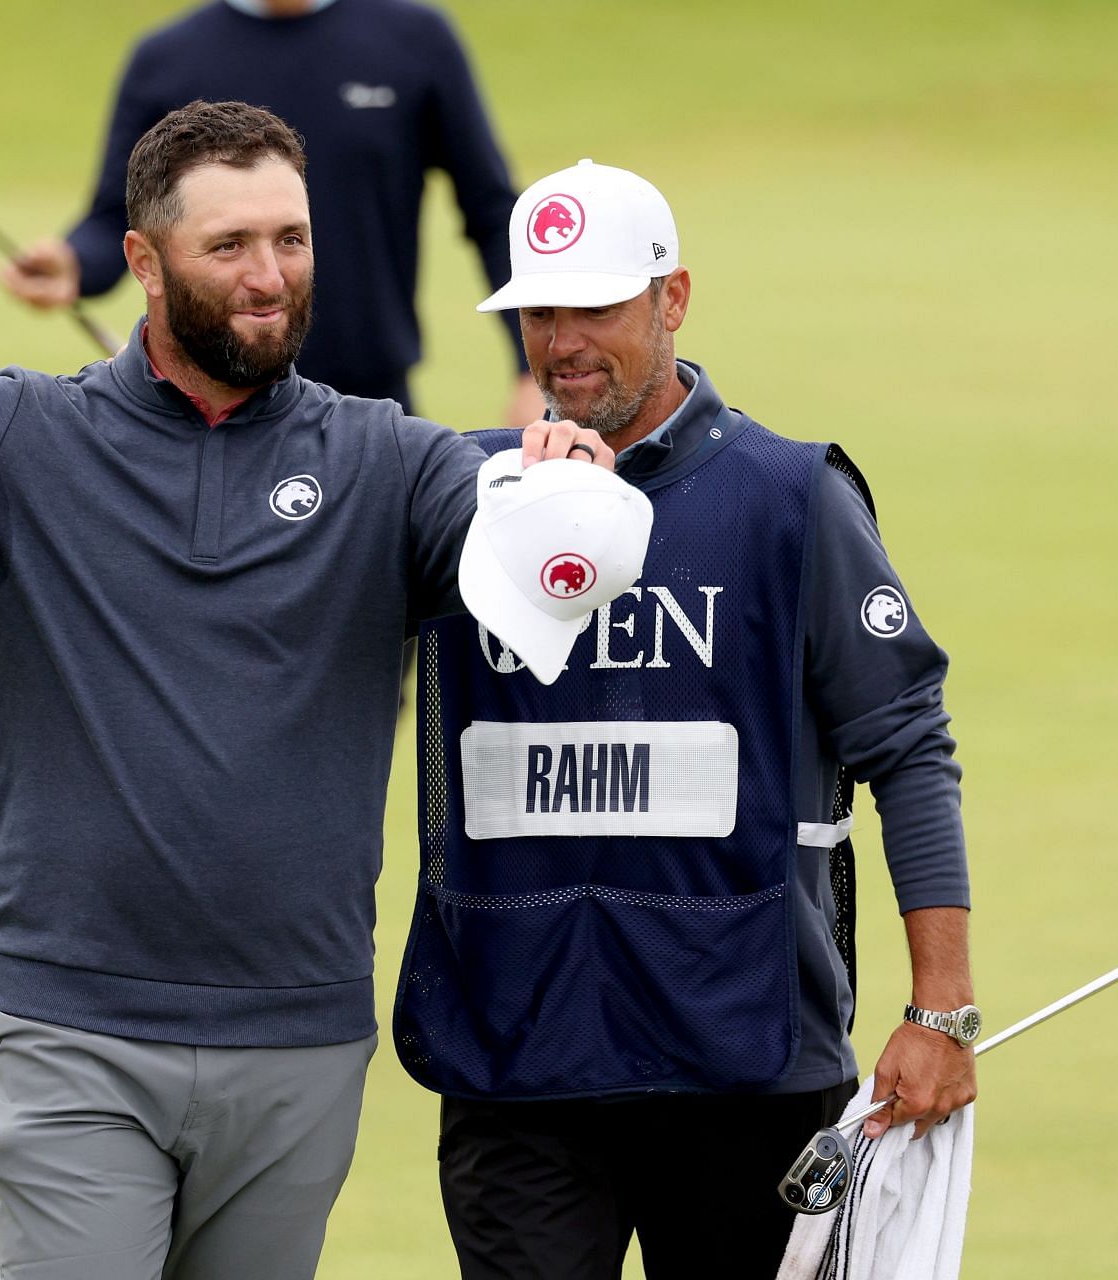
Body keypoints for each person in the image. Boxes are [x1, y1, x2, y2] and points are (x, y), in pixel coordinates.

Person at [0, 101, 617, 1280]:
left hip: (300, 1041)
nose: (270, 276)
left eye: (292, 238)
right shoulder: (11, 441)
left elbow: (519, 525)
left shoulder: (387, 460)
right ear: (142, 260)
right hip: (70, 1029)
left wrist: (560, 482)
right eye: (229, 246)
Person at [395, 159, 980, 1279]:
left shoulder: (790, 496)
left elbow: (908, 746)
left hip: (741, 1066)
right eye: (538, 310)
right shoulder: (458, 496)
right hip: (515, 1063)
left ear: (674, 299)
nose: (561, 340)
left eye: (596, 306)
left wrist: (941, 1009)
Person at [0, 0, 543, 424]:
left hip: (370, 399)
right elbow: (117, 217)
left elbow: (494, 213)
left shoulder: (416, 41)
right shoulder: (167, 60)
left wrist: (529, 370)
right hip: (212, 405)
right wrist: (74, 262)